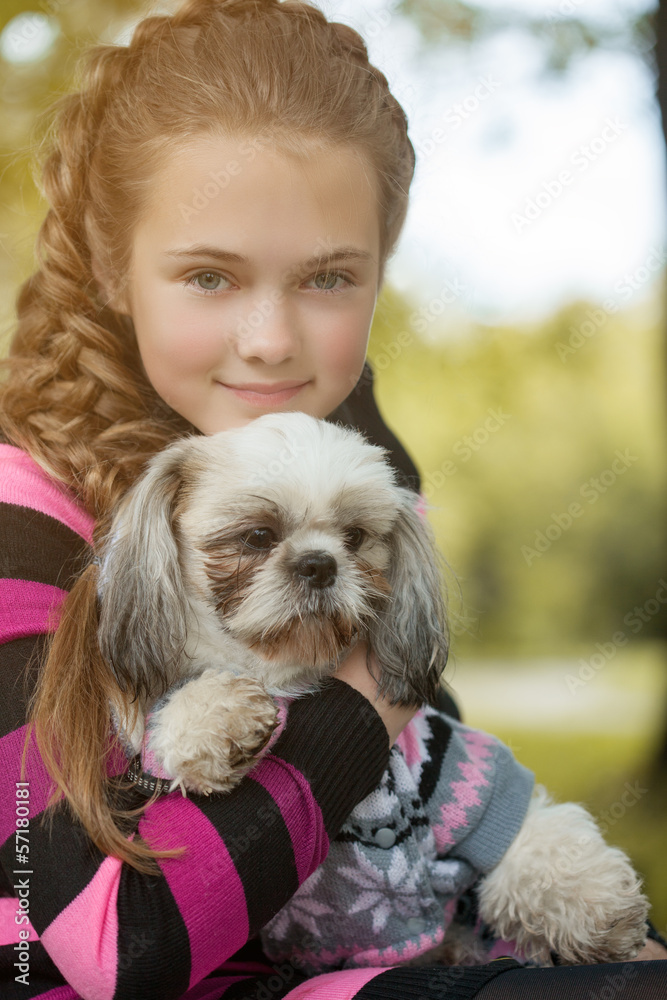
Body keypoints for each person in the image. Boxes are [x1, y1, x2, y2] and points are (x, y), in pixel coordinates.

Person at [0, 0, 665, 997]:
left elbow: (426, 816)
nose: (270, 340)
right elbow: (113, 947)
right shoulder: (20, 514)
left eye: (326, 278)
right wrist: (363, 700)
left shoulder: (366, 483)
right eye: (210, 275)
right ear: (111, 263)